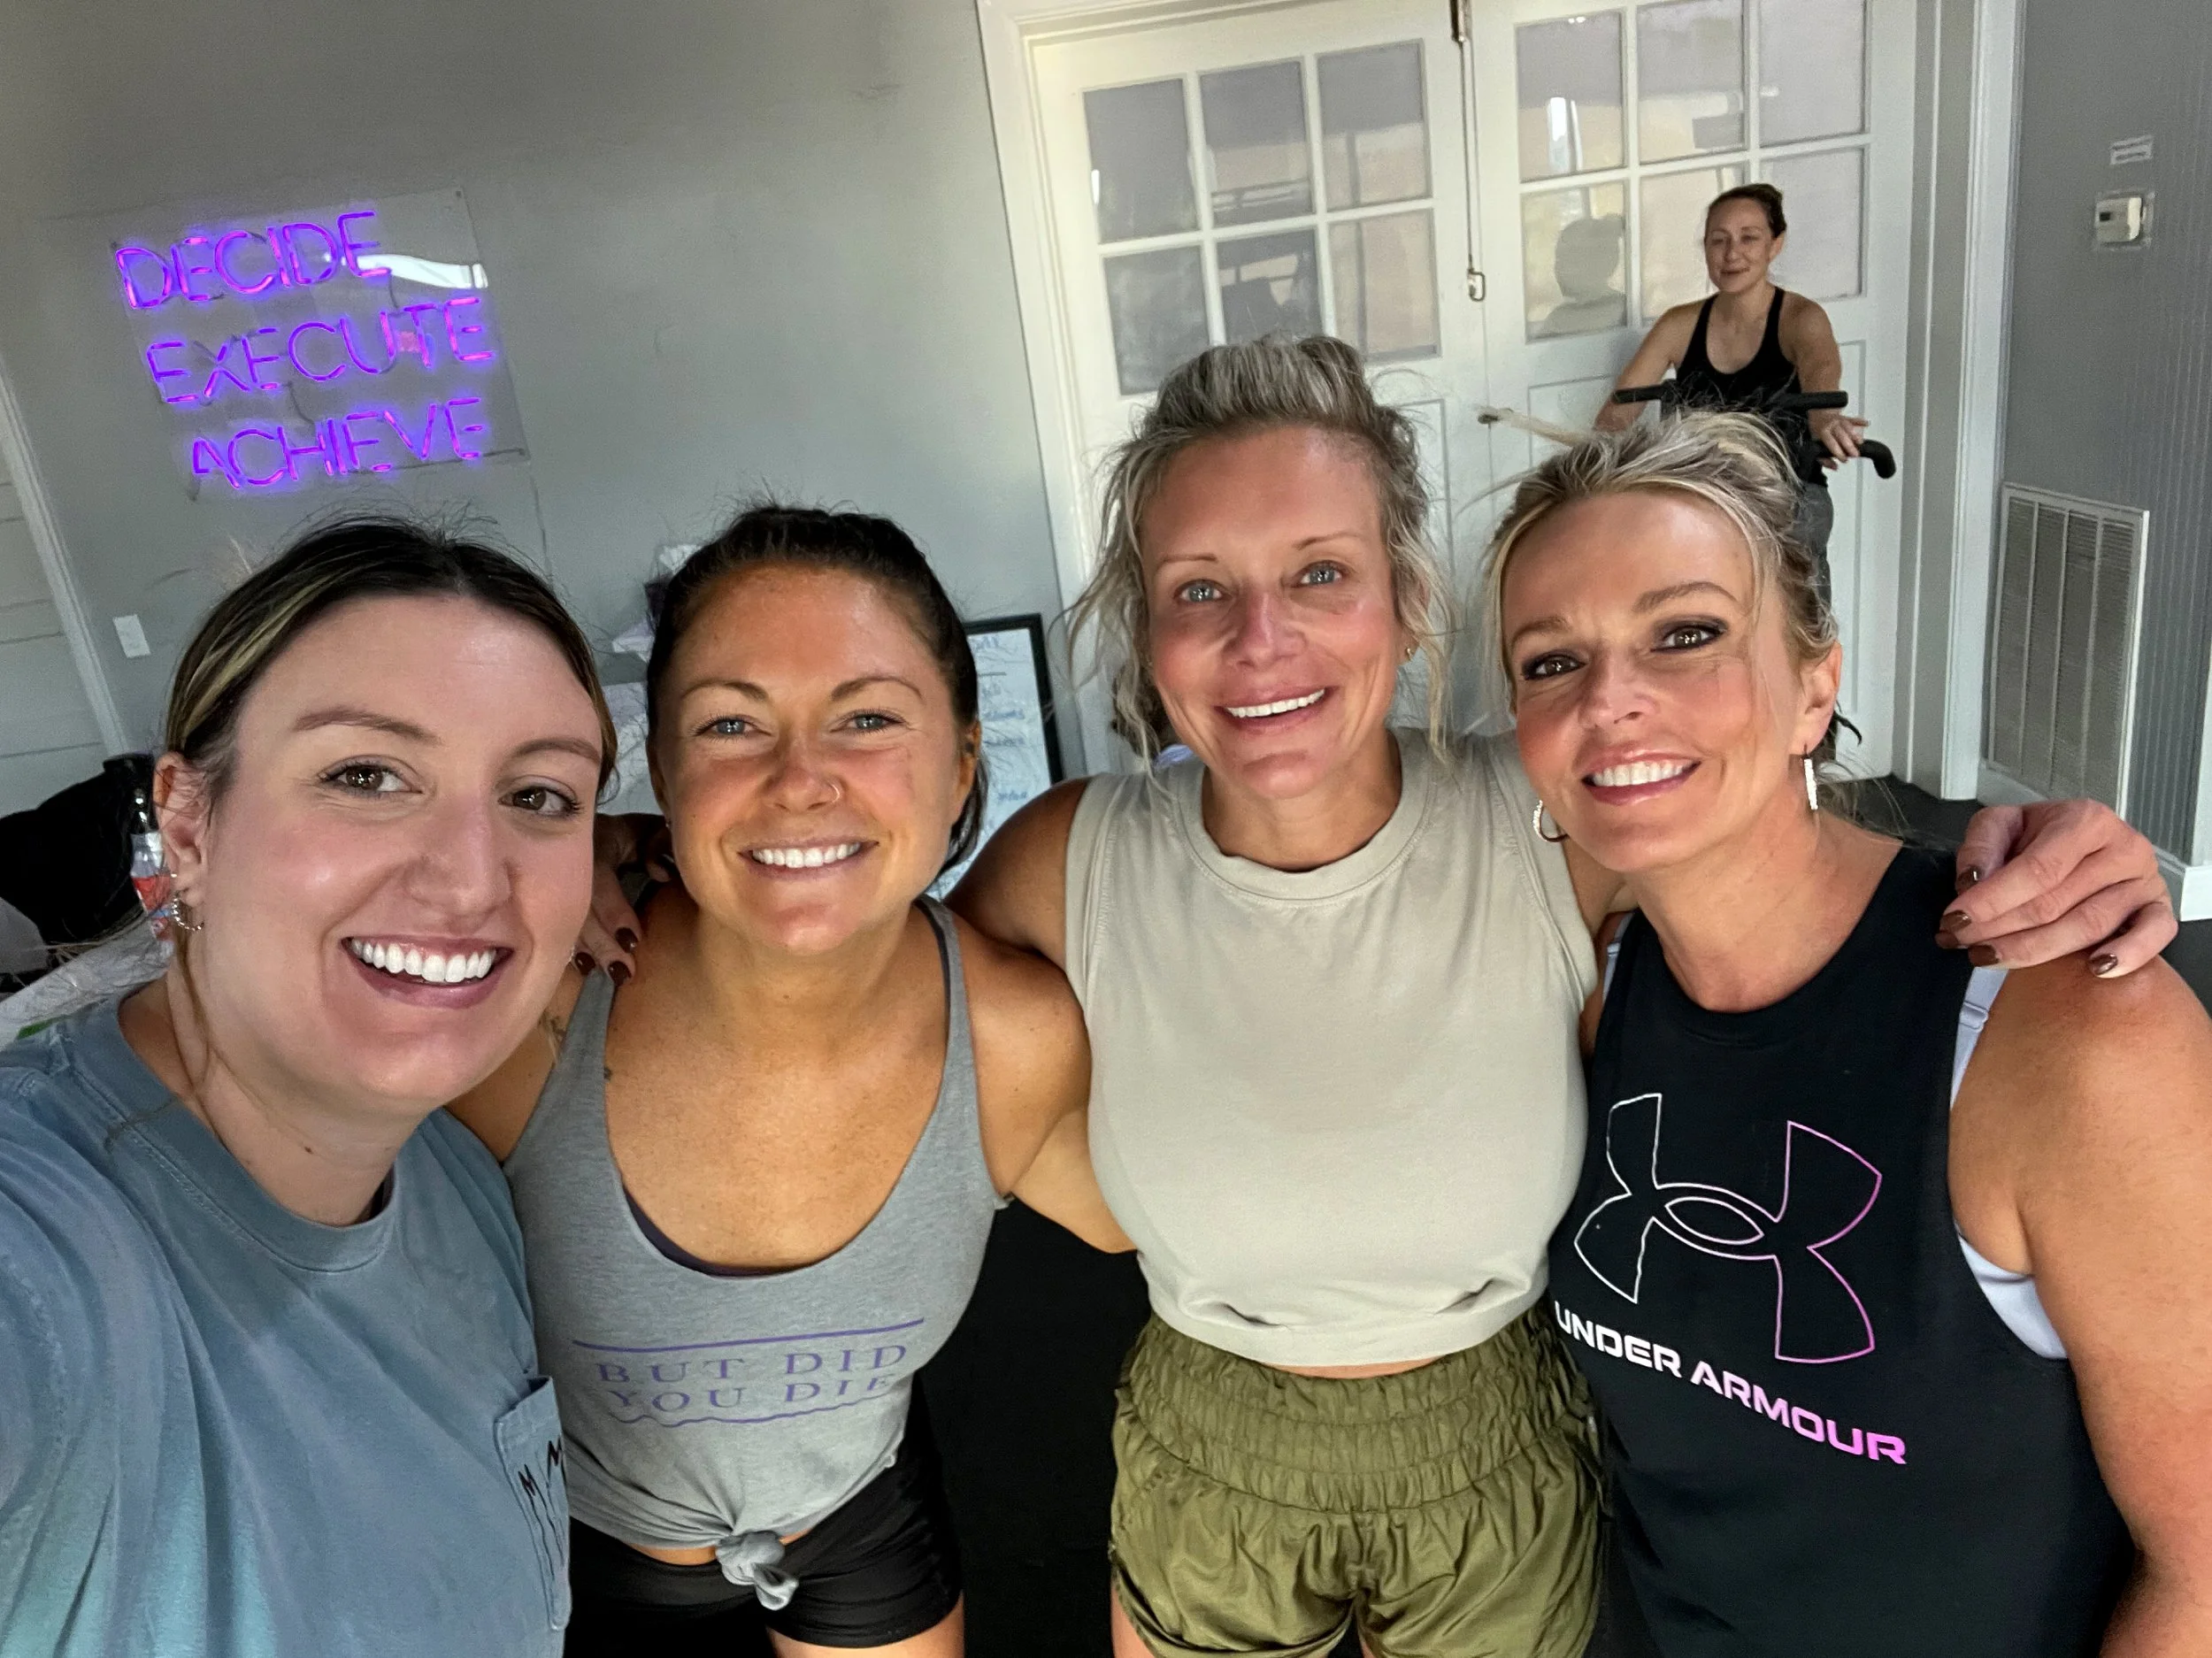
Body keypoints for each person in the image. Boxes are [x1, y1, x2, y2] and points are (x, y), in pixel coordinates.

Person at [926, 337, 2178, 1658]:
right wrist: (1123, 1203)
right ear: (1143, 625)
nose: (1262, 638)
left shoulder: (1543, 829)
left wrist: (2042, 850)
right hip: (1230, 1440)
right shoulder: (1072, 859)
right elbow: (908, 1014)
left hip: (1502, 1444)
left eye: (1321, 572)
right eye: (1199, 587)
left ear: (1407, 597)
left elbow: (1760, 845)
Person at [1490, 414, 2212, 1656]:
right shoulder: (1578, 965)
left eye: (1686, 633)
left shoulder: (2066, 1029)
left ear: (1814, 689)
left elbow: (2202, 1570)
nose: (1611, 700)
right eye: (1551, 661)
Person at [456, 505, 1126, 1656]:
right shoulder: (535, 1015)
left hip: (858, 1522)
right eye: (731, 724)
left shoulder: (1014, 1037)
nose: (801, 778)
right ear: (662, 770)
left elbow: (1160, 1220)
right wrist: (554, 849)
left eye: (866, 717)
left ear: (963, 763)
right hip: (577, 1552)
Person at [0, 518, 617, 1656]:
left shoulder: (459, 1179)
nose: (471, 878)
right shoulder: (40, 1258)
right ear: (188, 825)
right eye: (365, 775)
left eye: (539, 795)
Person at [1596, 184, 1858, 567]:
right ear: (1705, 248)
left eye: (1748, 238)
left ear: (1776, 244)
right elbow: (1615, 416)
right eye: (1718, 240)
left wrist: (1827, 422)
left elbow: (1822, 376)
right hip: (1704, 493)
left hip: (1784, 493)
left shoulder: (1801, 319)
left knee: (1786, 569)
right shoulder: (1678, 324)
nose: (1732, 253)